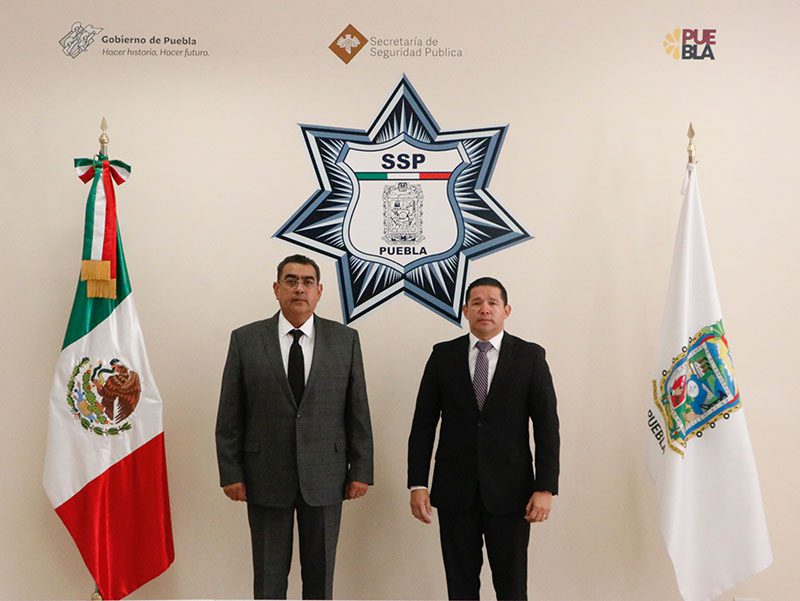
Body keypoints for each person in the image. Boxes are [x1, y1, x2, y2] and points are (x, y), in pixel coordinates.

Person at [216, 254, 374, 600]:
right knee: (269, 578)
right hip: (264, 475)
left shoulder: (345, 339)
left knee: (320, 577)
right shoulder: (246, 339)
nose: (299, 288)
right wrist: (231, 472)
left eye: (307, 282)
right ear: (277, 289)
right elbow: (230, 414)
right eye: (290, 281)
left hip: (327, 475)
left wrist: (361, 470)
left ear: (319, 291)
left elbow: (357, 410)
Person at [407, 277, 560, 601]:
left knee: (511, 587)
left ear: (506, 310)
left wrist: (545, 487)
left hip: (512, 491)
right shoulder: (443, 355)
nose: (484, 309)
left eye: (492, 302)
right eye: (476, 302)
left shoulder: (530, 357)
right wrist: (417, 483)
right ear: (465, 310)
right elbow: (423, 423)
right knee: (460, 587)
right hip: (455, 490)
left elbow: (547, 426)